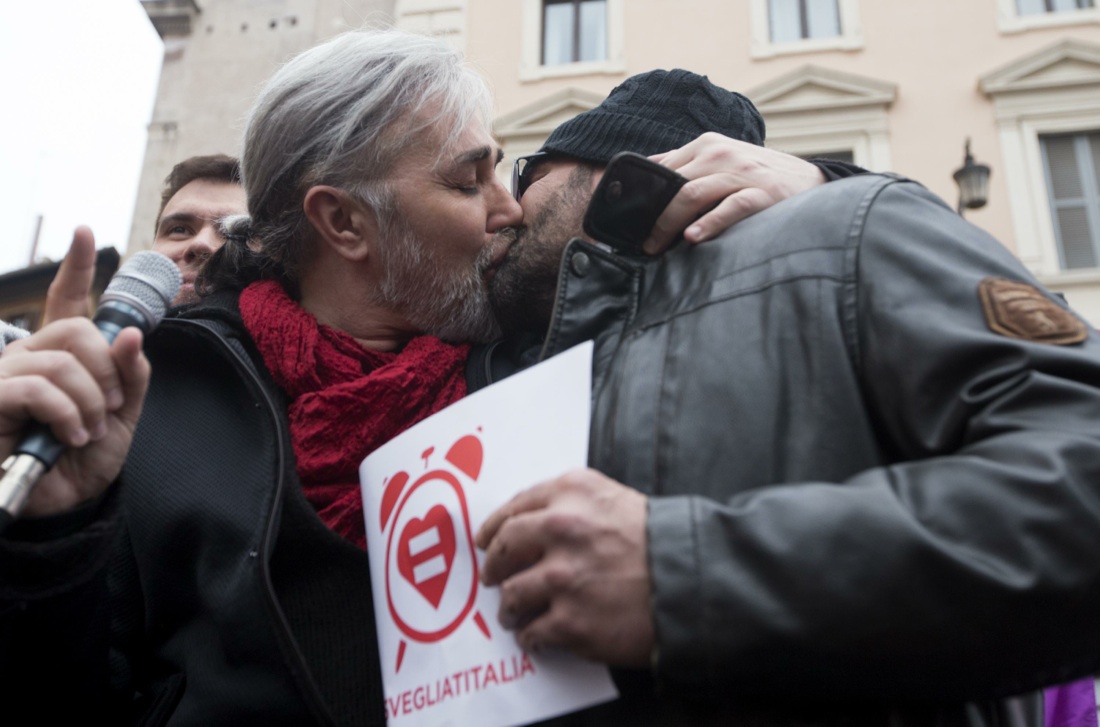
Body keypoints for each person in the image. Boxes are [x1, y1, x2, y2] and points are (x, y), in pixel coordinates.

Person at [0, 32, 819, 724]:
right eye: (470, 180)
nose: (510, 209)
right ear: (345, 222)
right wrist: (49, 535)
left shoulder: (550, 351)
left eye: (503, 169)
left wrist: (819, 192)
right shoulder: (157, 401)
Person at [471, 70, 1100, 723]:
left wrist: (681, 576)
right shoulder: (514, 354)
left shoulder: (849, 228)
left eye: (527, 174)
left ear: (621, 169)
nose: (505, 210)